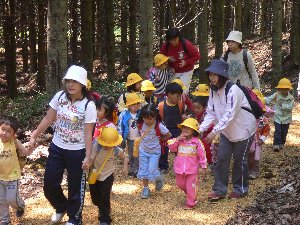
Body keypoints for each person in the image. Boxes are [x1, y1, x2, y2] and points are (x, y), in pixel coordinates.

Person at [28, 65, 97, 225]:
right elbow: (48, 119)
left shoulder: (89, 105)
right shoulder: (60, 97)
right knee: (50, 184)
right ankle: (61, 206)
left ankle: (74, 218)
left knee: (75, 187)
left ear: (82, 84)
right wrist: (34, 136)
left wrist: (88, 157)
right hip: (57, 147)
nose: (70, 85)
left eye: (75, 81)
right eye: (68, 81)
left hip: (77, 151)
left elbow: (88, 134)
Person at [199, 59, 256, 201]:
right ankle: (219, 189)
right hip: (226, 131)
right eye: (210, 74)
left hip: (244, 130)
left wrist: (214, 132)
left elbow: (229, 115)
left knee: (239, 160)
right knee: (222, 159)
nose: (211, 77)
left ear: (222, 75)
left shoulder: (233, 90)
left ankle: (240, 189)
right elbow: (211, 113)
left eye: (214, 74)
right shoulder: (213, 91)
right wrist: (199, 129)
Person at [89, 127, 129, 225]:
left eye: (110, 145)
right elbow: (89, 160)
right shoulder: (95, 147)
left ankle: (105, 219)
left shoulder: (115, 149)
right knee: (95, 199)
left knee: (104, 196)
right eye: (106, 144)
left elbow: (126, 157)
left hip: (107, 175)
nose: (107, 147)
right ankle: (102, 208)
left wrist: (125, 167)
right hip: (94, 175)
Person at [168, 118, 207, 209]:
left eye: (188, 128)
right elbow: (172, 148)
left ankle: (191, 203)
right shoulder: (179, 140)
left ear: (193, 131)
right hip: (180, 169)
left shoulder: (197, 142)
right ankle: (191, 193)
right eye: (184, 127)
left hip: (192, 170)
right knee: (180, 184)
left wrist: (203, 167)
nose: (185, 129)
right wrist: (178, 139)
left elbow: (202, 155)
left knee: (191, 186)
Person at [0, 115, 32, 225]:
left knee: (11, 199)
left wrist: (32, 147)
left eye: (8, 131)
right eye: (2, 129)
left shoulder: (14, 142)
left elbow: (26, 153)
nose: (4, 133)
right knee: (2, 201)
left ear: (14, 134)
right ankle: (5, 220)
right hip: (0, 177)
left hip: (12, 177)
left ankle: (20, 206)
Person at [137, 104, 171, 199]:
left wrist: (160, 140)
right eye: (145, 118)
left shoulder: (159, 125)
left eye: (151, 119)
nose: (148, 121)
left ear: (155, 117)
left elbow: (168, 134)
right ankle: (145, 188)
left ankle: (158, 177)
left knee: (152, 169)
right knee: (143, 170)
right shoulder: (140, 124)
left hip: (155, 152)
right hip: (143, 150)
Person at [160, 27, 200, 93]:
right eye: (170, 40)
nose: (173, 42)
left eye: (174, 39)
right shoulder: (166, 45)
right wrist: (167, 58)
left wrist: (186, 62)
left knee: (183, 91)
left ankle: (183, 102)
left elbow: (197, 56)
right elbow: (160, 58)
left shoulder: (186, 44)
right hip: (172, 71)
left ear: (178, 37)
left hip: (186, 71)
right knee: (171, 91)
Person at [157, 82, 183, 173]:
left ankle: (180, 165)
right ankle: (163, 166)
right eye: (177, 95)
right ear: (169, 95)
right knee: (163, 150)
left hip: (177, 130)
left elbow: (181, 115)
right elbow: (159, 118)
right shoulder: (161, 105)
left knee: (179, 149)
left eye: (180, 96)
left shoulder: (180, 104)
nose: (179, 98)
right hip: (166, 131)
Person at [265, 78, 294, 152]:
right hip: (277, 117)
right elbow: (269, 99)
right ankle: (276, 144)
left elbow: (290, 107)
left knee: (284, 132)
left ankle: (282, 143)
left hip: (286, 118)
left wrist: (282, 105)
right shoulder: (276, 94)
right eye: (280, 89)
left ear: (288, 89)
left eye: (284, 89)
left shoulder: (291, 98)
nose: (282, 90)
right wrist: (261, 99)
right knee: (278, 131)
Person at [117, 92, 143, 177]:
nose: (136, 106)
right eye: (133, 104)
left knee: (138, 155)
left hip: (139, 138)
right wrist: (120, 138)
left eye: (137, 103)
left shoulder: (141, 114)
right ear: (128, 106)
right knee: (131, 154)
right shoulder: (124, 115)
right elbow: (120, 126)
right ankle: (132, 169)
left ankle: (137, 170)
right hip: (129, 138)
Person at [248, 90, 270, 179]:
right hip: (247, 140)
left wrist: (262, 139)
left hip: (257, 142)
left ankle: (254, 171)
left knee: (255, 158)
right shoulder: (247, 118)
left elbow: (267, 130)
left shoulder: (263, 120)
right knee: (246, 157)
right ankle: (246, 170)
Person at [191, 84, 213, 167]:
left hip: (208, 133)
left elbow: (210, 125)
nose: (195, 110)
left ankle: (210, 162)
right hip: (203, 132)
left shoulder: (208, 112)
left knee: (206, 146)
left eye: (197, 108)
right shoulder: (200, 111)